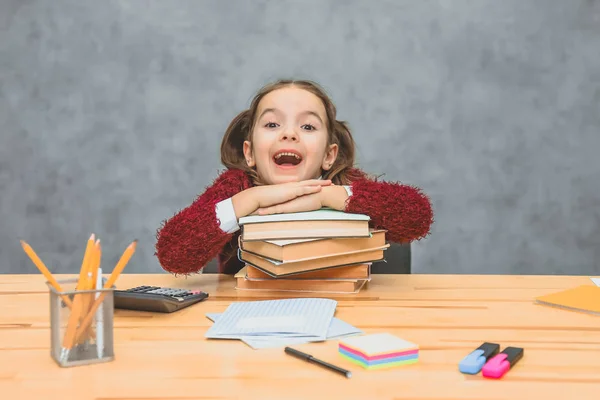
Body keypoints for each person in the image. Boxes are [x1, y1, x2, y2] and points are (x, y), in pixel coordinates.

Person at [155, 79, 434, 275]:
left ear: (329, 155)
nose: (289, 134)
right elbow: (173, 254)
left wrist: (327, 196)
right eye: (272, 124)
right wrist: (248, 200)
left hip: (344, 313)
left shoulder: (341, 184)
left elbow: (417, 216)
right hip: (247, 316)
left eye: (308, 126)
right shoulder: (236, 187)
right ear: (249, 153)